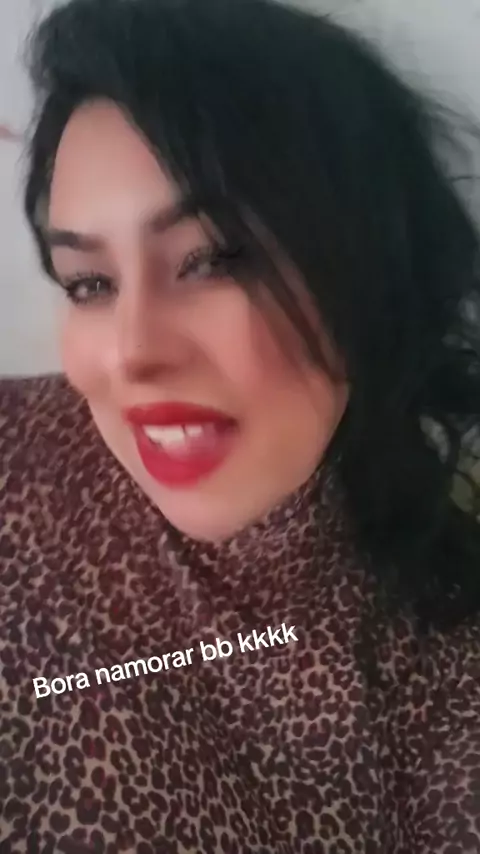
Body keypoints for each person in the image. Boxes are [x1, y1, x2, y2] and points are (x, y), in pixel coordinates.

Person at [1, 0, 479, 850]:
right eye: (89, 283)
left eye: (215, 258)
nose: (132, 354)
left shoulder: (449, 666)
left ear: (368, 271)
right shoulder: (14, 453)